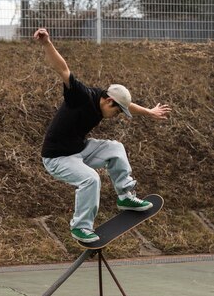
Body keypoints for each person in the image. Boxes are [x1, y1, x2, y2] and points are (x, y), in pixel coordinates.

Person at [34, 28, 171, 243]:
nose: (116, 115)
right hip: (57, 158)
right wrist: (46, 44)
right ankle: (80, 227)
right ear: (109, 101)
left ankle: (126, 196)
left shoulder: (105, 97)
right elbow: (63, 70)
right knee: (90, 179)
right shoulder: (81, 96)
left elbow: (128, 105)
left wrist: (149, 112)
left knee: (116, 148)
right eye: (116, 111)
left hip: (79, 149)